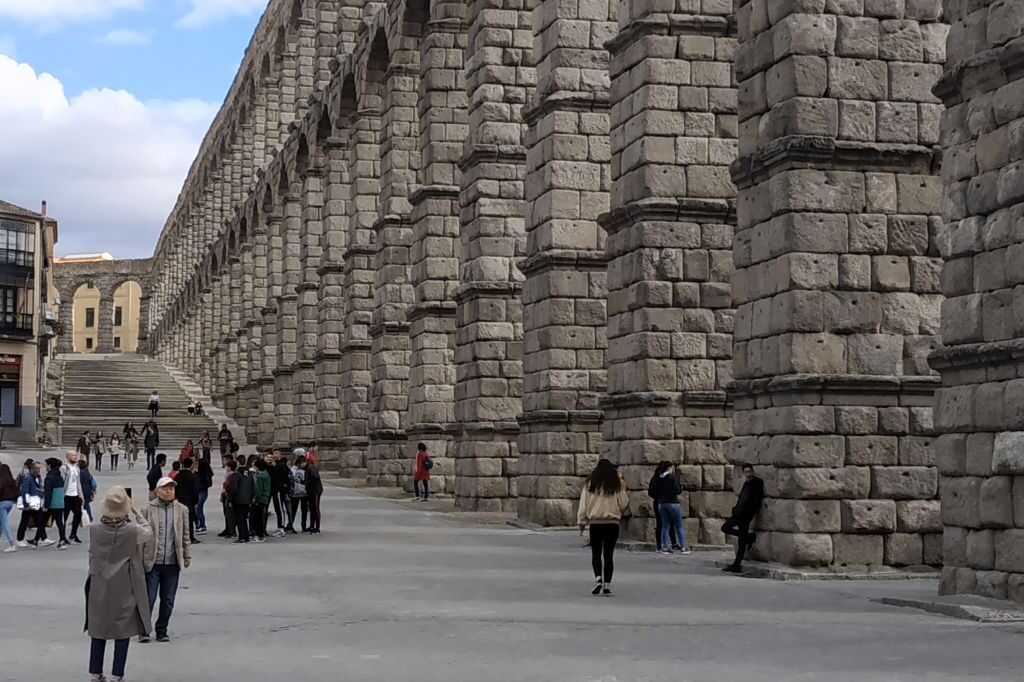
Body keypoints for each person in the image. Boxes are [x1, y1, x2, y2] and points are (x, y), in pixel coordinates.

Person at [85, 486, 152, 682]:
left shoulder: (95, 531)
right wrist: (136, 511)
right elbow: (148, 531)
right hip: (124, 585)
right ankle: (117, 675)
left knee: (98, 629)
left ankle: (95, 672)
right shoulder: (133, 531)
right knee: (122, 631)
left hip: (99, 584)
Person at [140, 477, 191, 642]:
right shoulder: (147, 509)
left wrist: (186, 554)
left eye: (171, 488)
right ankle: (144, 630)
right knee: (149, 598)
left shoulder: (182, 509)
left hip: (172, 561)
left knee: (168, 600)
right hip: (152, 561)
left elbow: (185, 534)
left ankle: (162, 630)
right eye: (165, 488)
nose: (169, 491)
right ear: (157, 491)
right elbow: (140, 536)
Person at [577, 459, 629, 596]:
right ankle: (607, 586)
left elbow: (583, 505)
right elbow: (623, 503)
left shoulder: (590, 484)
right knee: (608, 555)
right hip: (612, 523)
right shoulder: (616, 484)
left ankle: (598, 579)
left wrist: (582, 522)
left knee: (596, 553)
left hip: (596, 523)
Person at [721, 464, 765, 574]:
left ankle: (736, 564)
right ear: (743, 473)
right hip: (738, 513)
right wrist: (735, 508)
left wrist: (750, 511)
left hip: (746, 514)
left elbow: (757, 500)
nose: (748, 474)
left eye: (750, 471)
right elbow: (742, 498)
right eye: (746, 472)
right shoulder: (746, 483)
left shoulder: (757, 483)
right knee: (725, 527)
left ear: (753, 471)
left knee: (741, 542)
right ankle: (749, 537)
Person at [648, 461, 690, 555]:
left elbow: (652, 491)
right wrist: (681, 488)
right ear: (669, 468)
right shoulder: (672, 478)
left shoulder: (658, 478)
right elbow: (677, 490)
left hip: (661, 503)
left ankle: (664, 547)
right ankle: (683, 547)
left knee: (664, 526)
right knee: (678, 525)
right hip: (673, 502)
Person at [39, 457, 68, 549]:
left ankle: (41, 539)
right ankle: (62, 541)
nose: (45, 467)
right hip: (60, 502)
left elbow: (48, 493)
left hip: (52, 503)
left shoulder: (49, 478)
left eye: (46, 465)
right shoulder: (59, 477)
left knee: (41, 522)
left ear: (49, 466)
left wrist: (46, 505)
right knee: (60, 523)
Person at [226, 458, 254, 543]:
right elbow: (253, 487)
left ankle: (242, 536)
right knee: (244, 519)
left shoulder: (236, 475)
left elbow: (233, 488)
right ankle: (246, 536)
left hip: (238, 499)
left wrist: (230, 499)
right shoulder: (249, 474)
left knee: (239, 519)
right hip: (247, 499)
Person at [16, 460, 43, 547]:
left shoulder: (37, 477)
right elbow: (25, 492)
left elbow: (39, 487)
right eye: (36, 468)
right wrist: (26, 504)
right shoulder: (28, 478)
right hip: (29, 502)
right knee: (25, 520)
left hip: (35, 501)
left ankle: (43, 538)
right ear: (32, 468)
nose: (38, 470)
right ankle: (19, 539)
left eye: (39, 468)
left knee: (39, 520)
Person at [174, 458, 200, 544]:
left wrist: (177, 496)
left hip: (180, 499)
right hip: (190, 500)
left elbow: (175, 487)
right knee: (189, 519)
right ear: (191, 465)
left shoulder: (178, 476)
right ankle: (190, 537)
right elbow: (195, 490)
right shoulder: (193, 477)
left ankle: (180, 536)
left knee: (180, 519)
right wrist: (196, 501)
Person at [62, 451, 85, 544]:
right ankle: (62, 536)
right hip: (66, 496)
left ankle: (73, 533)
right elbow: (62, 482)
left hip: (75, 495)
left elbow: (78, 483)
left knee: (78, 515)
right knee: (64, 517)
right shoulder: (64, 468)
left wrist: (81, 495)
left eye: (76, 455)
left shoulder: (77, 469)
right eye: (73, 455)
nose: (75, 457)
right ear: (68, 457)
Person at [298, 455, 322, 535]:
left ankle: (317, 527)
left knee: (315, 509)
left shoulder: (310, 467)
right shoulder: (307, 468)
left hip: (315, 491)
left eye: (299, 465)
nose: (300, 467)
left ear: (302, 463)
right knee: (312, 509)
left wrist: (306, 483)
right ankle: (312, 526)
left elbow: (315, 478)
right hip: (311, 491)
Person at [269, 450, 290, 537]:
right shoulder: (275, 464)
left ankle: (281, 528)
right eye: (273, 453)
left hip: (279, 490)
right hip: (274, 489)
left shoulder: (281, 465)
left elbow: (285, 478)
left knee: (280, 509)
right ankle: (279, 526)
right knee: (278, 509)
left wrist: (285, 491)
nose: (274, 455)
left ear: (280, 454)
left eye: (276, 453)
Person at [252, 459, 271, 543]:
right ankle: (261, 534)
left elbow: (258, 490)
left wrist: (255, 498)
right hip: (265, 497)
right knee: (261, 516)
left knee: (257, 517)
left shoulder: (259, 477)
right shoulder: (267, 475)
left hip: (259, 498)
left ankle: (259, 535)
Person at [287, 456, 307, 534]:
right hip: (295, 493)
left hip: (304, 493)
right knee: (293, 510)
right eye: (302, 463)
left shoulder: (306, 470)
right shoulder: (292, 470)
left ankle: (304, 526)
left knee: (304, 510)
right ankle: (290, 525)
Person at [0, 463, 17, 552]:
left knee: (4, 523)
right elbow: (16, 491)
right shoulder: (11, 481)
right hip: (10, 503)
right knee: (1, 523)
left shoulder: (1, 481)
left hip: (1, 503)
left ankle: (12, 544)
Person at [218, 460, 238, 538]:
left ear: (229, 467)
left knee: (230, 514)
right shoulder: (228, 474)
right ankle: (228, 529)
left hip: (228, 495)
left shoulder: (232, 475)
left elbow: (228, 486)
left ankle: (231, 531)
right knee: (226, 513)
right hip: (225, 494)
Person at [196, 457, 213, 535]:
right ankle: (201, 524)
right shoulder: (207, 474)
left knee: (199, 509)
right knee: (199, 509)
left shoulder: (202, 475)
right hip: (204, 492)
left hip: (201, 492)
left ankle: (203, 525)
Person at [78, 458, 97, 522]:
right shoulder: (87, 472)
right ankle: (88, 517)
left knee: (84, 504)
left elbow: (79, 482)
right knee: (86, 504)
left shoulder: (81, 473)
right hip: (88, 490)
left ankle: (87, 517)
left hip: (83, 491)